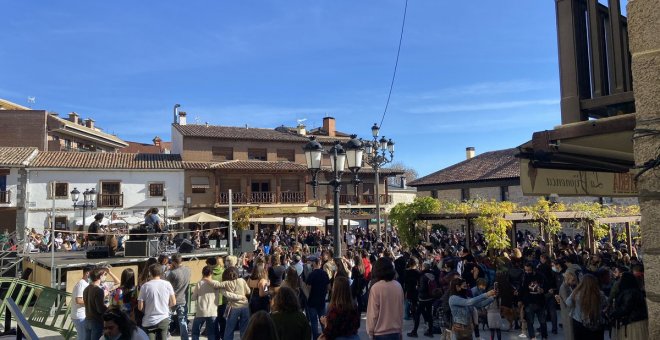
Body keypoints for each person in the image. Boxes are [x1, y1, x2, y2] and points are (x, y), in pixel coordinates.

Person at [366, 257, 404, 340]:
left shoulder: (376, 288)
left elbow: (373, 314)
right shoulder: (398, 286)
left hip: (380, 333)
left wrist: (370, 332)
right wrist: (400, 330)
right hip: (396, 331)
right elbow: (400, 310)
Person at [563, 274, 608, 340]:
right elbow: (606, 303)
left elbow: (568, 303)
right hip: (596, 323)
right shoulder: (600, 294)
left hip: (580, 323)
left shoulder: (576, 293)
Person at [137, 264, 176, 340]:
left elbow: (140, 307)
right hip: (163, 318)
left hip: (149, 320)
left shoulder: (145, 286)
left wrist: (146, 311)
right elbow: (173, 302)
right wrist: (165, 307)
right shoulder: (167, 284)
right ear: (161, 273)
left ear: (150, 273)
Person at [610, 272, 648, 340]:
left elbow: (625, 308)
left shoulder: (629, 292)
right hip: (639, 323)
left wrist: (613, 314)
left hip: (632, 324)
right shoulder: (638, 291)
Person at [217, 266, 251, 340]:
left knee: (229, 328)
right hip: (245, 306)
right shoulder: (242, 280)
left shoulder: (226, 284)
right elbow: (248, 291)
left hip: (233, 307)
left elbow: (227, 294)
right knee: (244, 328)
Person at [520, 262, 548, 340]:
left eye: (529, 270)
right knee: (530, 321)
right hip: (529, 302)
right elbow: (522, 288)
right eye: (526, 270)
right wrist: (520, 300)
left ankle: (544, 336)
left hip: (540, 302)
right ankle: (532, 337)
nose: (527, 272)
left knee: (542, 321)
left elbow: (546, 285)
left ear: (533, 269)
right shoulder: (524, 276)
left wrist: (543, 290)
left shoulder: (540, 276)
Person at [305, 256, 331, 340]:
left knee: (314, 322)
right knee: (323, 320)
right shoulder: (324, 274)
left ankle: (316, 337)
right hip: (321, 300)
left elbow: (308, 288)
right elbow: (329, 287)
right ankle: (325, 336)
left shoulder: (311, 274)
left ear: (314, 263)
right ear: (319, 263)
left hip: (312, 301)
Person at [167, 254, 191, 340]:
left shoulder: (172, 273)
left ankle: (165, 336)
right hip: (183, 299)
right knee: (183, 320)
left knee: (167, 320)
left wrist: (169, 270)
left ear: (173, 262)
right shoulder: (188, 270)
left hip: (172, 300)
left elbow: (166, 284)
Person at [84, 268, 109, 340]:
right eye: (105, 274)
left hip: (87, 320)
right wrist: (109, 308)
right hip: (96, 321)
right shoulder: (98, 290)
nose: (105, 276)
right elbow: (100, 309)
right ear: (100, 276)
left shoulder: (86, 289)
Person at [71, 265, 94, 340]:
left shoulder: (86, 283)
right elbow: (78, 300)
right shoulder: (81, 284)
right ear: (87, 273)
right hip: (80, 316)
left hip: (82, 315)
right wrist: (91, 302)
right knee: (83, 338)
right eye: (93, 273)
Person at [557, 270, 578, 340]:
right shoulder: (563, 287)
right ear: (567, 279)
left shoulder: (569, 286)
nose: (574, 282)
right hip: (567, 314)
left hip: (571, 313)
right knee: (570, 333)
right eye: (573, 280)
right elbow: (567, 302)